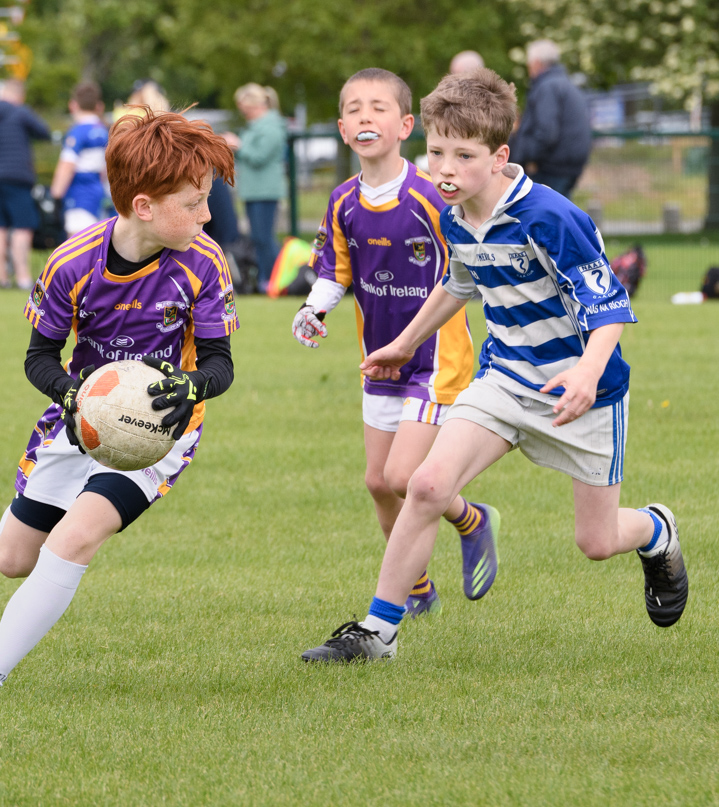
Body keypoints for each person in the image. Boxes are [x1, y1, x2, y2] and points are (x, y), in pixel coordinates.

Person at [301, 68, 687, 663]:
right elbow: (459, 282)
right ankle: (379, 633)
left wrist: (585, 373)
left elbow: (609, 307)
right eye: (435, 153)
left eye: (463, 155)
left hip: (583, 389)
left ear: (499, 156)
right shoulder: (455, 214)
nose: (444, 169)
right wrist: (405, 343)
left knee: (596, 541)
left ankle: (657, 532)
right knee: (426, 484)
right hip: (504, 380)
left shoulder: (549, 217)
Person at [0, 107, 239, 705]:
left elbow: (219, 364)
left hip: (161, 431)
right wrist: (72, 398)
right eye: (193, 201)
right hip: (79, 420)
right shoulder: (71, 263)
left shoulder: (204, 263)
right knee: (12, 559)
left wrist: (190, 389)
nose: (207, 215)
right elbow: (39, 357)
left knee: (76, 537)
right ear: (144, 205)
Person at [291, 68, 500, 621]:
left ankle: (471, 519)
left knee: (405, 477)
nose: (366, 116)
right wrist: (314, 308)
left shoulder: (431, 193)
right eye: (354, 108)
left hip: (437, 359)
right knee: (378, 484)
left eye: (379, 107)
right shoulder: (342, 201)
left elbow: (466, 263)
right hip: (380, 359)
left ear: (406, 124)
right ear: (341, 128)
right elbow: (335, 271)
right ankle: (419, 585)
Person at [0, 79, 52, 289]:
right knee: (23, 225)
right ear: (18, 95)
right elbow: (43, 131)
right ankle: (23, 278)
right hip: (18, 177)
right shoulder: (20, 111)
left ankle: (2, 278)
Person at [223, 83, 287, 294]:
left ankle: (275, 280)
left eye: (244, 107)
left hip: (265, 192)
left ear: (254, 105)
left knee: (265, 238)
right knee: (258, 238)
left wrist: (239, 145)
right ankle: (263, 280)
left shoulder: (271, 126)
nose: (243, 112)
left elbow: (260, 157)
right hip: (253, 191)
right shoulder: (255, 125)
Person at [508, 39, 591, 199]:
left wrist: (522, 158)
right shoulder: (566, 84)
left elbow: (546, 133)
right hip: (569, 167)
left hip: (550, 169)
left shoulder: (547, 88)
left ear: (537, 63)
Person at [50, 81, 109, 236]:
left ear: (73, 105)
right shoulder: (103, 131)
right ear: (98, 106)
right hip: (97, 190)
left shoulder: (78, 132)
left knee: (77, 247)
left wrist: (55, 196)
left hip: (79, 192)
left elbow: (66, 166)